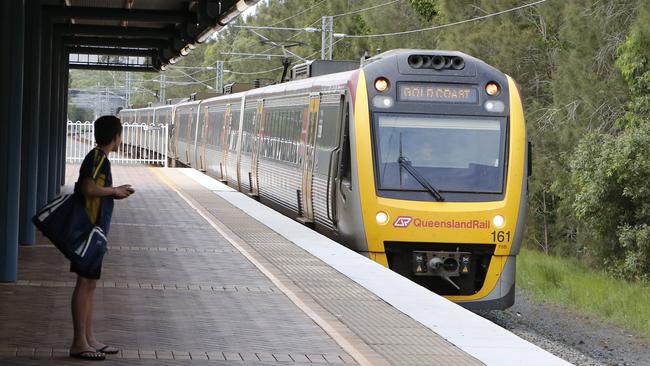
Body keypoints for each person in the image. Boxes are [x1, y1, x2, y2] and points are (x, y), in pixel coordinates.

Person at [69, 115, 134, 361]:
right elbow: (88, 188)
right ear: (116, 136)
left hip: (94, 230)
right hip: (87, 229)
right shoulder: (97, 158)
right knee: (84, 284)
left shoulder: (99, 158)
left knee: (89, 285)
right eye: (120, 135)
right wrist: (114, 191)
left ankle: (89, 338)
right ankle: (78, 343)